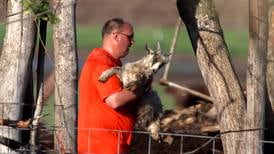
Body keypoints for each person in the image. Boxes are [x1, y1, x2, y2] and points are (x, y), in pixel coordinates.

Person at [78, 18, 145, 154]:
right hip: (102, 145)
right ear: (115, 35)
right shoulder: (101, 63)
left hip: (111, 143)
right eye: (130, 37)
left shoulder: (111, 63)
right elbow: (115, 100)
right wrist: (141, 87)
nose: (132, 42)